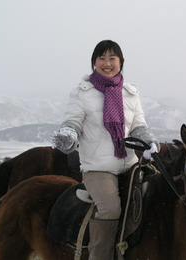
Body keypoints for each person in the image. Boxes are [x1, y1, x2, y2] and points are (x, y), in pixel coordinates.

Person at [51, 40, 160, 260]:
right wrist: (68, 134)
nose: (107, 63)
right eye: (101, 58)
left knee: (155, 197)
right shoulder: (82, 93)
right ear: (94, 63)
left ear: (121, 62)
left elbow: (138, 125)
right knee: (110, 209)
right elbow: (73, 121)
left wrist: (149, 142)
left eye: (112, 58)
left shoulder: (130, 93)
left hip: (129, 165)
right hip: (98, 168)